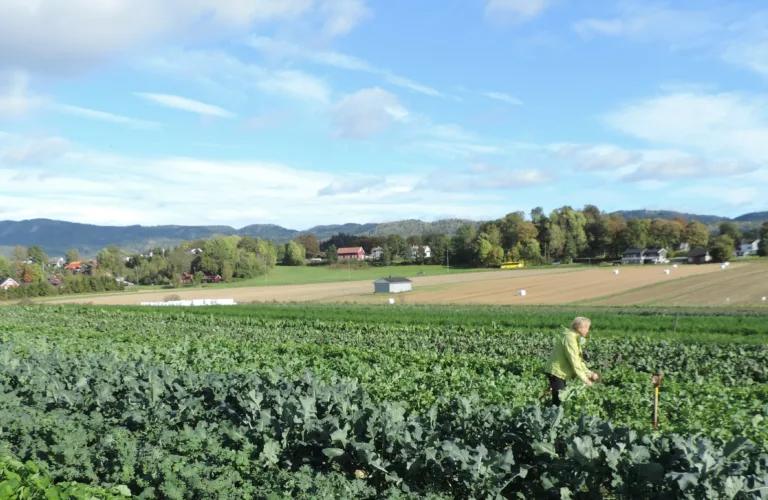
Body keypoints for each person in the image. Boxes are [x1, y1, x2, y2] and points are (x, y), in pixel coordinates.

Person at [544, 316, 600, 406]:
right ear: (580, 328)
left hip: (561, 372)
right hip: (557, 372)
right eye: (587, 328)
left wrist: (590, 374)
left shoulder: (575, 338)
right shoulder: (570, 339)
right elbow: (574, 362)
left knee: (560, 398)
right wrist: (585, 379)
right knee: (558, 401)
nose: (588, 330)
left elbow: (578, 361)